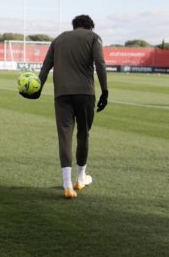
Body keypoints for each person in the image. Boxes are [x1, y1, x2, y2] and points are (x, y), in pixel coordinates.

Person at [21, 14, 108, 199]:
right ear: (90, 27)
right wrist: (105, 91)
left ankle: (67, 184)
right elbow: (99, 63)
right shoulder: (94, 38)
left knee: (65, 136)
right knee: (83, 134)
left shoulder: (59, 39)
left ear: (74, 26)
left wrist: (36, 90)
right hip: (85, 93)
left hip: (61, 94)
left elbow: (46, 66)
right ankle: (80, 178)